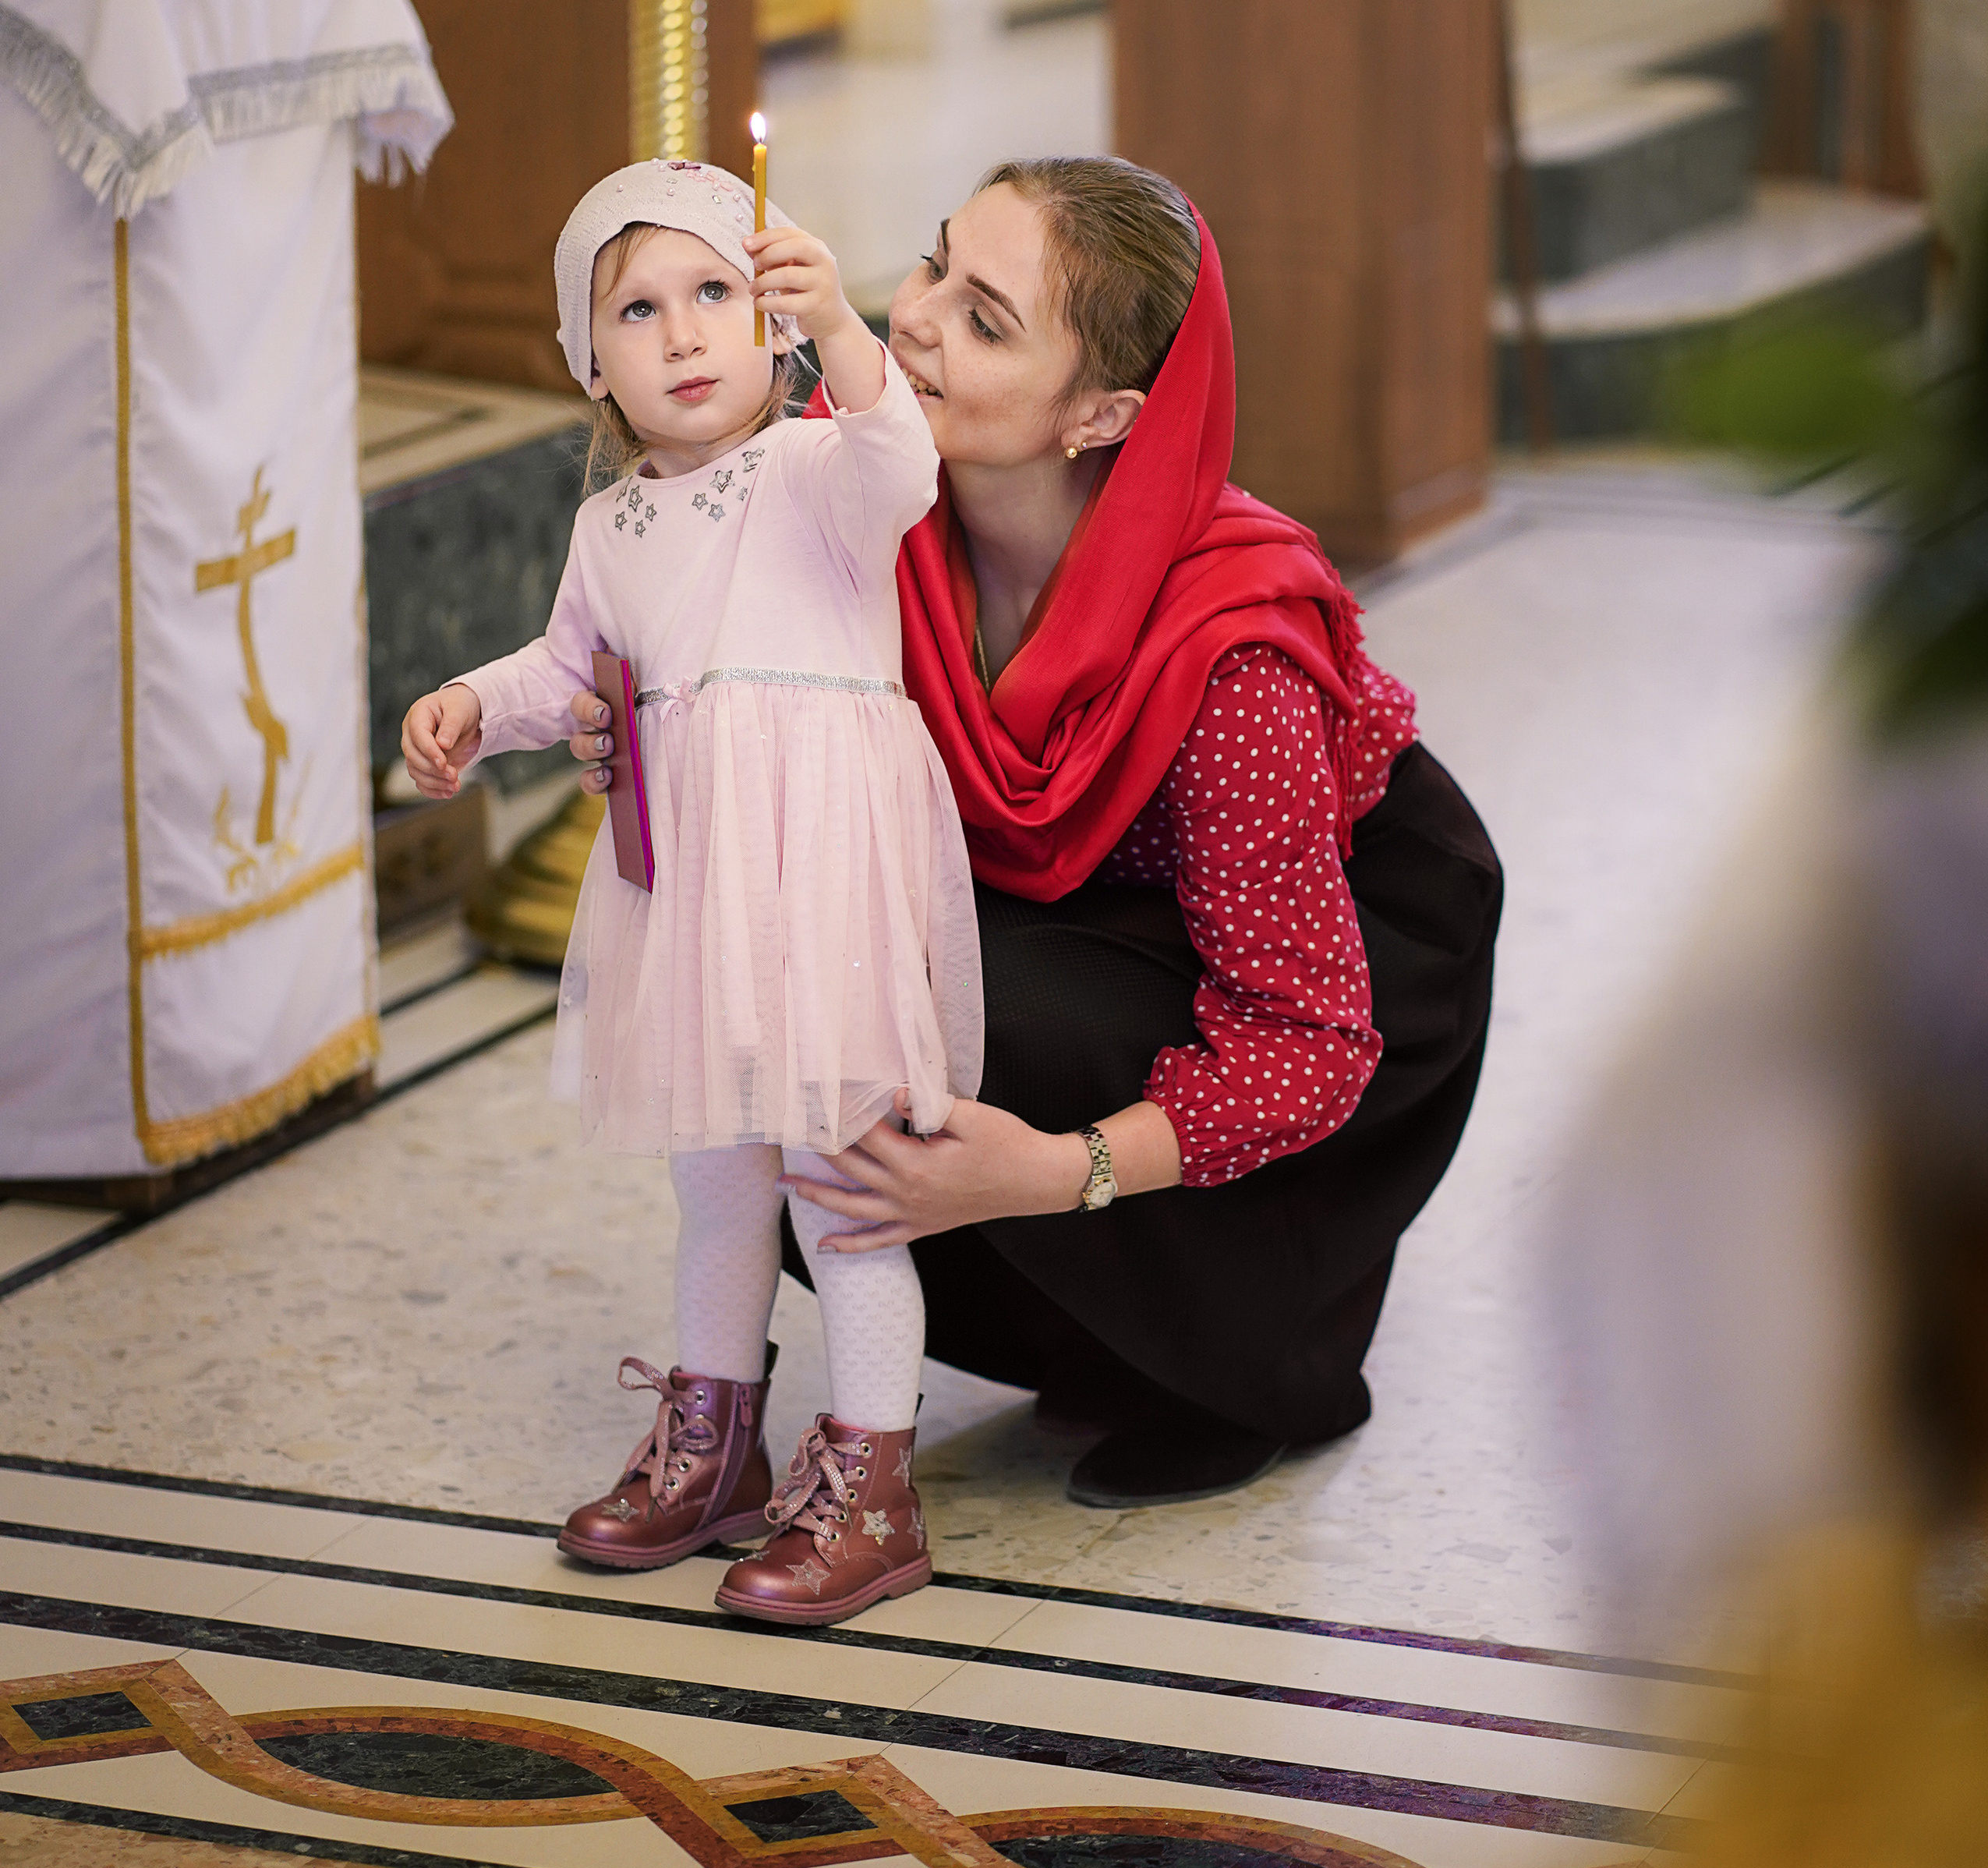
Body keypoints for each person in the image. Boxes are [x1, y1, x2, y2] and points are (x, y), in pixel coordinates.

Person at [565, 157, 1503, 1512]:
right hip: (1072, 918)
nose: (920, 318)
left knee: (955, 1001)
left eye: (987, 319)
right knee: (778, 1016)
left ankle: (1235, 1350)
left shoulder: (1231, 664)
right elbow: (685, 623)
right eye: (937, 262)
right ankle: (988, 1350)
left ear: (1104, 412)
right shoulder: (856, 487)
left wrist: (1057, 1171)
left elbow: (1306, 1041)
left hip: (1331, 965)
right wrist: (633, 720)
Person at [401, 160, 982, 1626]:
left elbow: (903, 466)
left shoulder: (817, 466)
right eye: (640, 309)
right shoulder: (610, 529)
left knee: (843, 1185)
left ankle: (874, 1484)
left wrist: (845, 331)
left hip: (825, 871)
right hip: (696, 886)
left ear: (767, 317)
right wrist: (475, 700)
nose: (683, 334)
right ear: (590, 361)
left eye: (716, 292)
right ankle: (714, 1441)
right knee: (716, 1177)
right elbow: (566, 669)